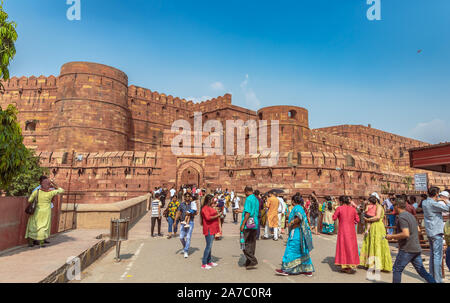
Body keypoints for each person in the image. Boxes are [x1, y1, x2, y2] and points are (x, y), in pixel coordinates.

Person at [386, 198, 436, 283]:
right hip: (415, 247)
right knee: (422, 271)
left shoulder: (401, 217)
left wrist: (392, 236)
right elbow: (418, 230)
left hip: (407, 248)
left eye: (394, 206)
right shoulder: (411, 216)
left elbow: (406, 234)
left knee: (397, 269)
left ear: (397, 206)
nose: (393, 208)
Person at [275, 196, 314, 277]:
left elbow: (299, 218)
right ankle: (307, 270)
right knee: (302, 251)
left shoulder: (297, 207)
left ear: (293, 201)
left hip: (297, 232)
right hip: (301, 233)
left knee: (291, 250)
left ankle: (286, 269)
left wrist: (291, 222)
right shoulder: (300, 207)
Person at [421, 187, 450, 283]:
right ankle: (437, 279)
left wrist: (438, 199)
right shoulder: (433, 204)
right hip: (436, 231)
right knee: (438, 256)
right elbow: (448, 208)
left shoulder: (425, 202)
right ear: (437, 194)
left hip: (430, 231)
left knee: (433, 255)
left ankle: (432, 277)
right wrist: (445, 200)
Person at [25, 178, 64, 248]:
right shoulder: (51, 192)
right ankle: (41, 243)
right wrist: (54, 184)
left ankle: (30, 243)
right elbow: (61, 190)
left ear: (41, 184)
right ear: (49, 185)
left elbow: (30, 200)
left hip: (36, 211)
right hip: (46, 212)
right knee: (43, 226)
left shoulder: (36, 191)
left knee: (33, 225)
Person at [359, 194, 393, 272]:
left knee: (377, 245)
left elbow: (377, 217)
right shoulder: (374, 207)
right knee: (371, 244)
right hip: (373, 226)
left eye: (370, 202)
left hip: (377, 227)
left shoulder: (379, 207)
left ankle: (378, 265)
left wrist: (368, 220)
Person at [332, 196, 360, 274]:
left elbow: (334, 218)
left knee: (343, 247)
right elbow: (357, 220)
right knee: (351, 247)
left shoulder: (339, 208)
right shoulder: (353, 209)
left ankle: (344, 266)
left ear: (341, 201)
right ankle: (350, 265)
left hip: (343, 231)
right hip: (351, 231)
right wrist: (351, 222)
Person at [240, 186, 260, 270]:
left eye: (245, 192)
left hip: (248, 224)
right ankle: (249, 262)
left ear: (247, 191)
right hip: (254, 223)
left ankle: (253, 260)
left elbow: (248, 213)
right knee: (251, 243)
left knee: (243, 243)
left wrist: (242, 224)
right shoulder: (256, 199)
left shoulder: (248, 199)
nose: (244, 194)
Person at [200, 194, 221, 269]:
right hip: (208, 228)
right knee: (208, 246)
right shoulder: (205, 208)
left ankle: (209, 261)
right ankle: (204, 263)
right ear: (208, 200)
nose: (213, 200)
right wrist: (217, 215)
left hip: (212, 228)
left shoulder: (209, 207)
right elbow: (208, 218)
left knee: (210, 246)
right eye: (212, 199)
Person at [175, 192, 197, 258]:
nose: (187, 197)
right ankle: (185, 247)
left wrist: (191, 213)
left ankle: (186, 251)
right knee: (181, 237)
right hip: (183, 222)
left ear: (190, 197)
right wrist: (175, 221)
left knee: (188, 237)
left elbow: (196, 212)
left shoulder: (192, 204)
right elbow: (178, 212)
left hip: (190, 222)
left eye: (188, 196)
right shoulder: (181, 204)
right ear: (184, 197)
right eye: (186, 196)